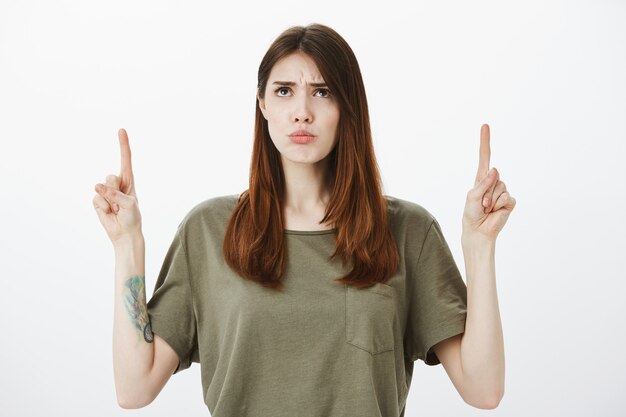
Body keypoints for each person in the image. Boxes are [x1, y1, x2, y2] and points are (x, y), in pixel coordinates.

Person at [93, 23, 516, 417]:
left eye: (322, 92)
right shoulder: (208, 230)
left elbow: (483, 390)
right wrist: (127, 243)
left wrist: (479, 246)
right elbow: (135, 388)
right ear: (261, 105)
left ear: (348, 106)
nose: (301, 112)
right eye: (283, 91)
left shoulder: (406, 231)